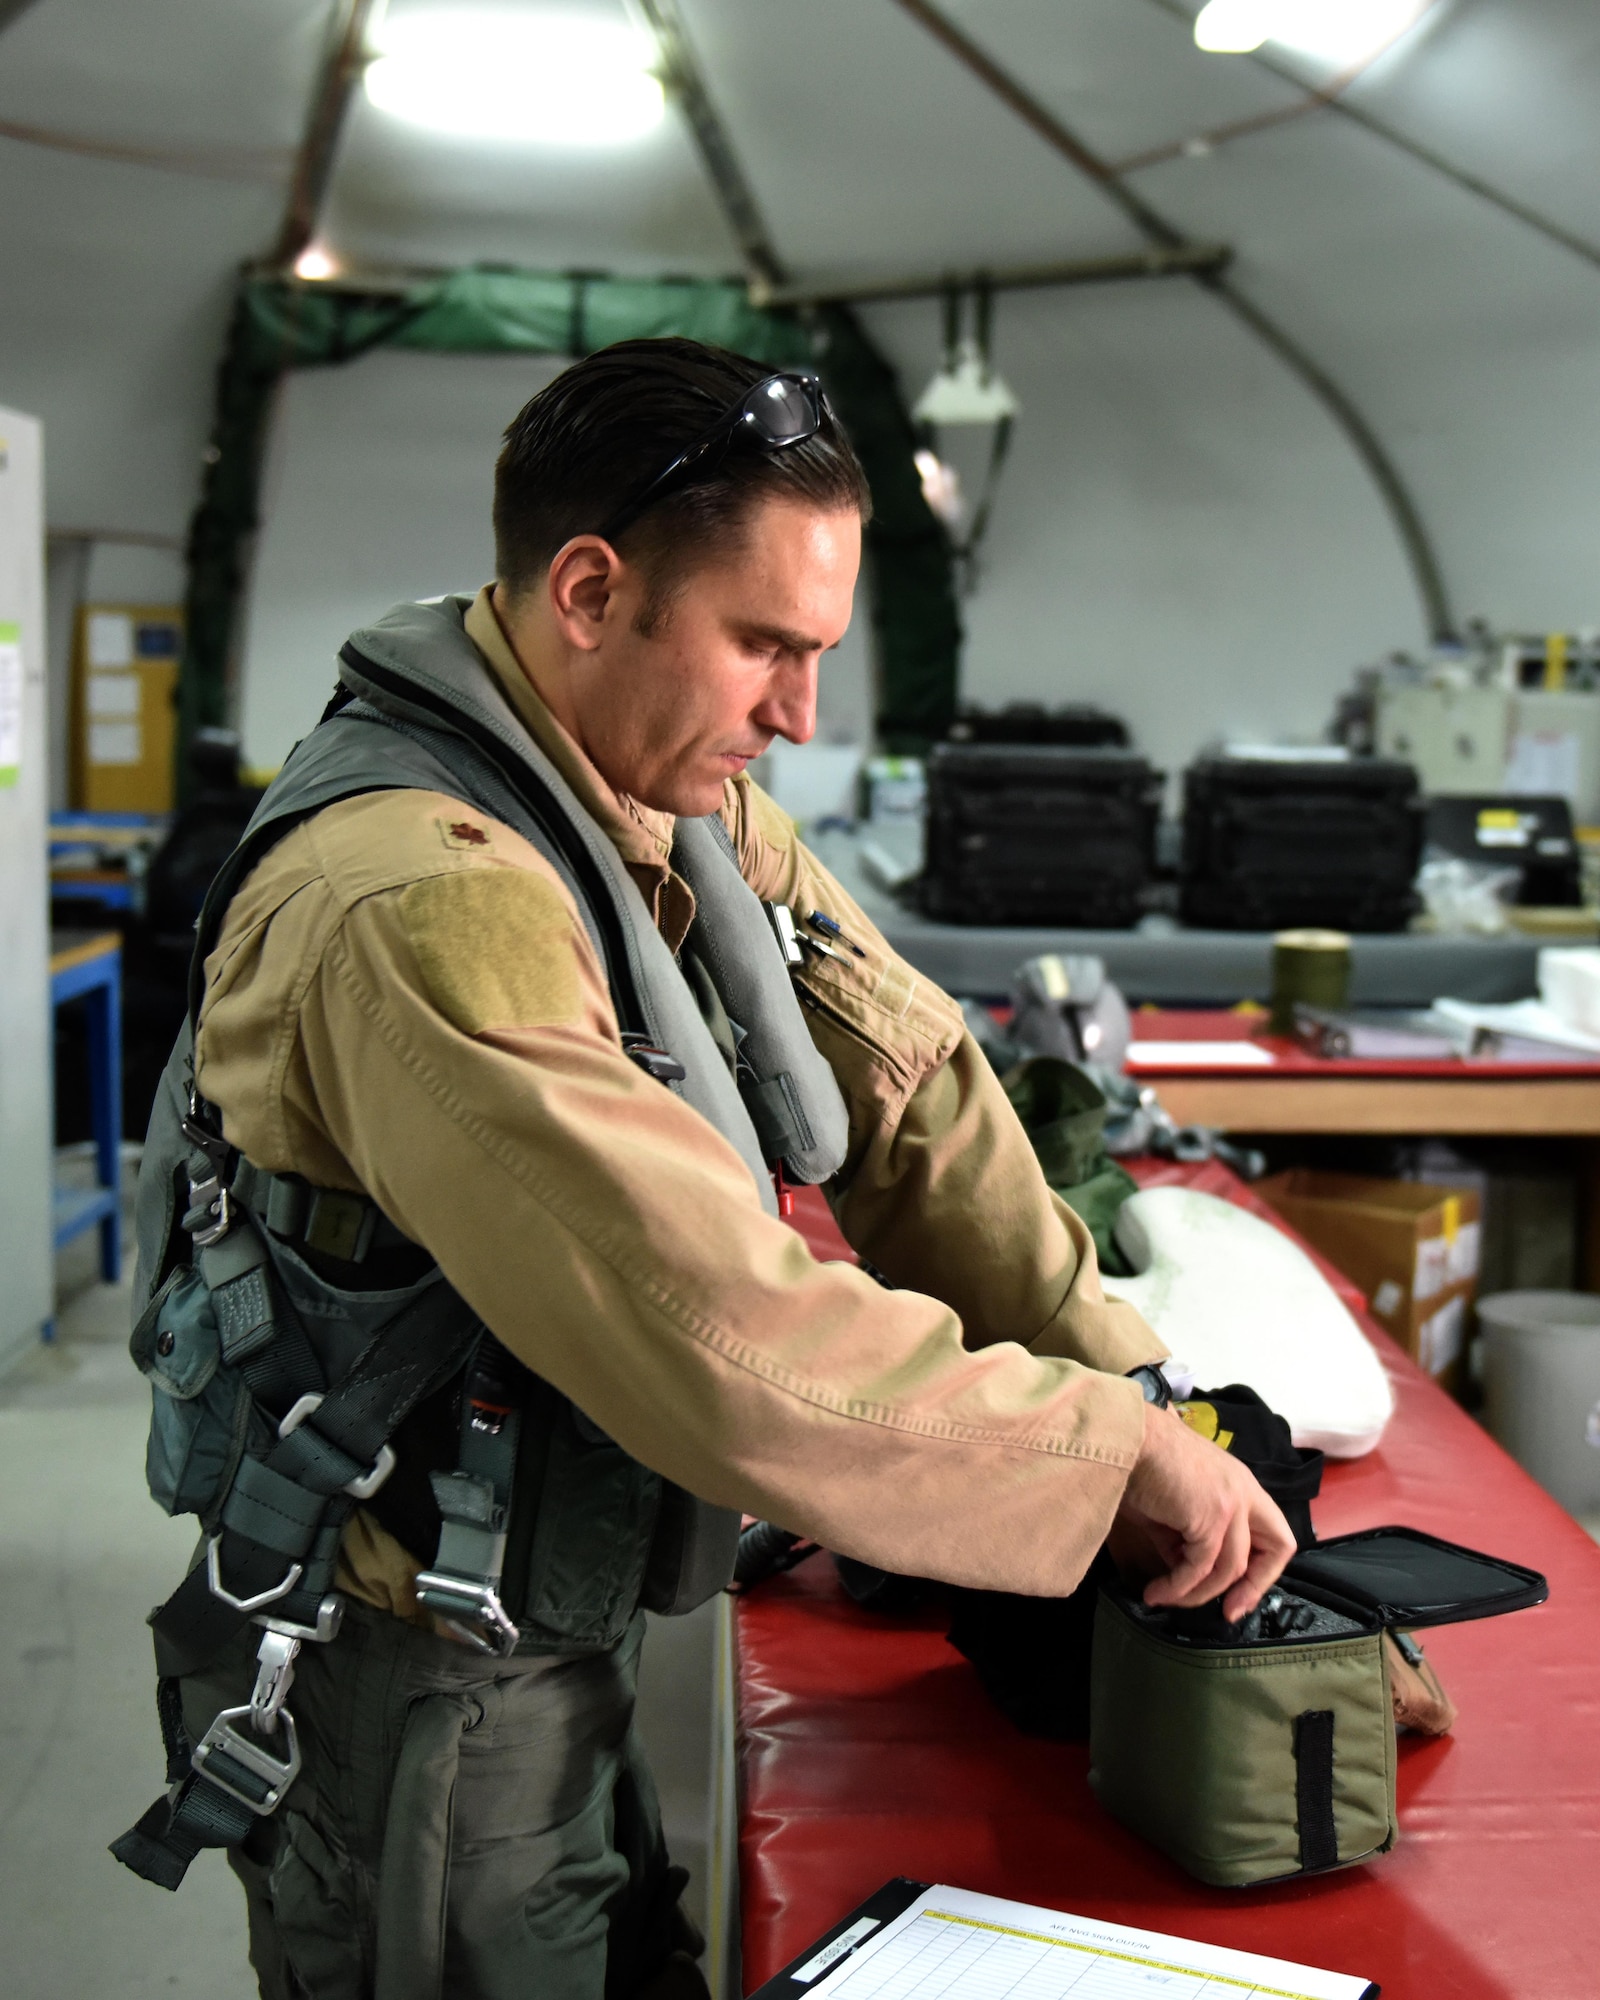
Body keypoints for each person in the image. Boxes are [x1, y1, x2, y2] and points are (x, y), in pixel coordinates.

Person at [127, 338, 1292, 1999]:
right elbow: (719, 1335)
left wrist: (1141, 1381)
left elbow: (913, 1094)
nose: (801, 714)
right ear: (591, 593)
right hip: (417, 1685)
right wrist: (1102, 1459)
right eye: (764, 647)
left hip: (540, 1630)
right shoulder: (423, 904)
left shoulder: (645, 789)